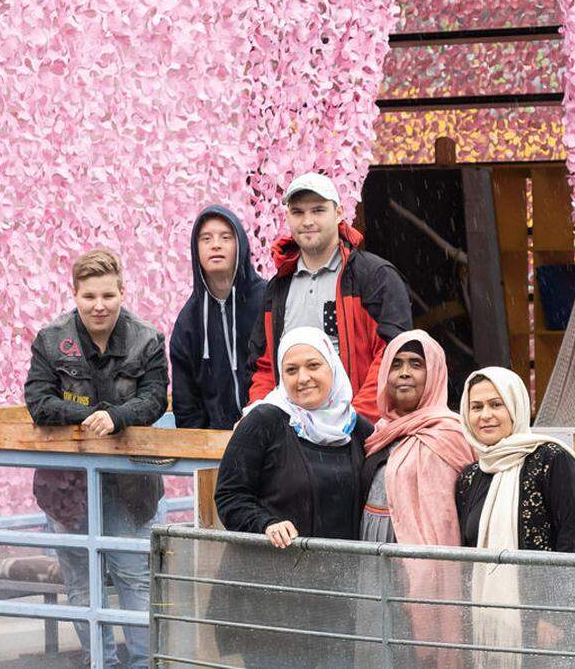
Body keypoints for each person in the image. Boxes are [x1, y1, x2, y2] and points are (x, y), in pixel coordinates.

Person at [23, 248, 169, 669]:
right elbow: (37, 400)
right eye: (89, 297)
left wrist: (117, 417)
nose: (99, 305)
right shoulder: (51, 339)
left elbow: (155, 397)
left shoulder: (147, 338)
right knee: (82, 585)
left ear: (123, 291)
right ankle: (99, 663)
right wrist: (90, 416)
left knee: (136, 579)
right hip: (67, 485)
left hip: (131, 485)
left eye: (108, 295)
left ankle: (144, 664)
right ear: (75, 294)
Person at [210, 327, 371, 667]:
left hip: (335, 600)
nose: (303, 378)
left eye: (314, 365)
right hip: (271, 598)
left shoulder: (356, 429)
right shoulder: (265, 421)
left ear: (333, 367)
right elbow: (230, 495)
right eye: (291, 370)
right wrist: (265, 523)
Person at [454, 367, 575, 667]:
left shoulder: (551, 460)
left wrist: (555, 616)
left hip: (549, 625)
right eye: (476, 407)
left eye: (497, 405)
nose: (485, 416)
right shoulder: (470, 477)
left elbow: (573, 543)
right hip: (494, 623)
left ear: (516, 406)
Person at [248, 173, 411, 421]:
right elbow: (265, 366)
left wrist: (357, 422)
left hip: (363, 431)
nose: (307, 221)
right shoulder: (278, 288)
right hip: (294, 435)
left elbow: (394, 356)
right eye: (298, 212)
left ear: (339, 213)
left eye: (318, 210)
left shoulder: (375, 276)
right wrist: (259, 419)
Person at [362, 330, 476, 667]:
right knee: (384, 640)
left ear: (436, 373)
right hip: (373, 551)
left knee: (418, 646)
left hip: (425, 562)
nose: (405, 373)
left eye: (416, 364)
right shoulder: (378, 432)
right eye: (396, 364)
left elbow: (448, 516)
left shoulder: (451, 432)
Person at [170, 206, 267, 430]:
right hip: (212, 444)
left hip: (270, 436)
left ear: (240, 245)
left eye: (226, 237)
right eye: (206, 238)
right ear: (196, 250)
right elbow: (186, 403)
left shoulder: (268, 300)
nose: (216, 244)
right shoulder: (188, 321)